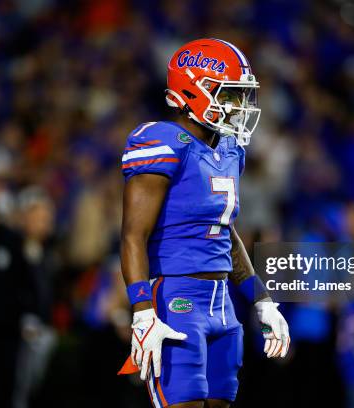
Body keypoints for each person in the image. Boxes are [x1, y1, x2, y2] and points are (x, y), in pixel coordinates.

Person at [117, 39, 290, 408]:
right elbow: (133, 234)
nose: (240, 107)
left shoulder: (229, 151)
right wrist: (142, 311)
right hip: (175, 298)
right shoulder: (163, 141)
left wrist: (261, 299)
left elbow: (224, 233)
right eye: (231, 95)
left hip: (222, 303)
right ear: (196, 91)